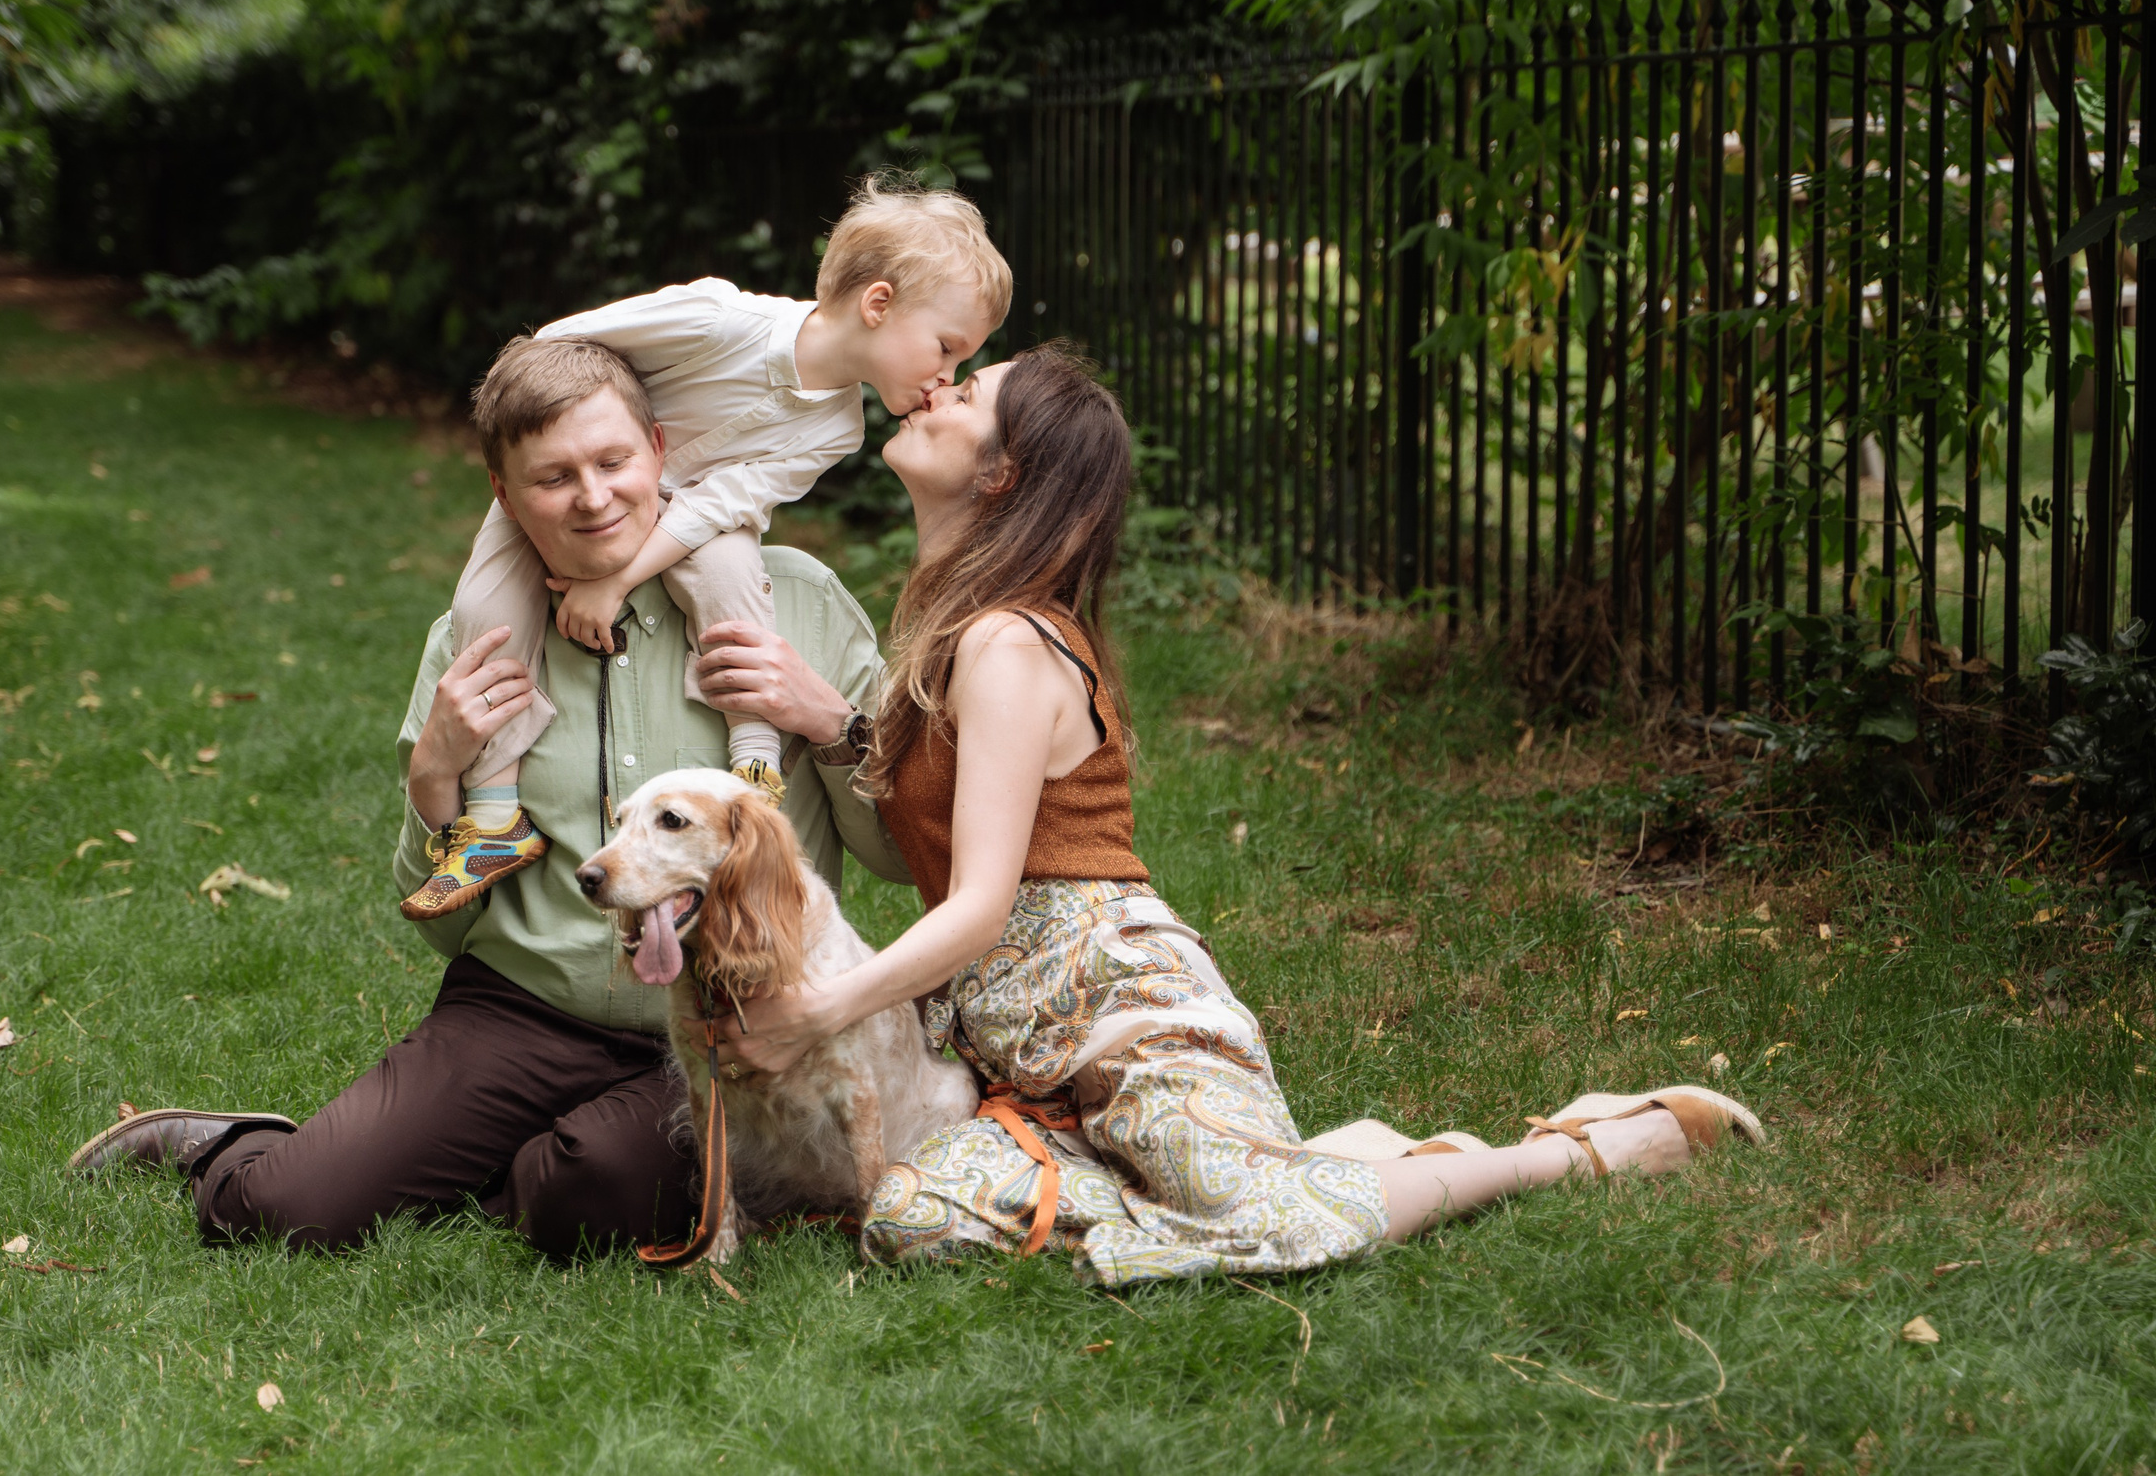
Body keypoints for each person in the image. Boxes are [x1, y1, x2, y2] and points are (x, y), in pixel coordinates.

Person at [712, 344, 1764, 1288]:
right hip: (1015, 1050)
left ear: (1003, 470)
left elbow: (981, 904)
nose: (935, 383)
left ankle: (1580, 1149)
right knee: (909, 1218)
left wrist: (821, 1010)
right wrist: (840, 728)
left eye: (970, 386)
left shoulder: (1006, 641)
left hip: (1113, 1007)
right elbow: (940, 832)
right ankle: (1347, 1164)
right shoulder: (958, 627)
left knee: (1272, 1228)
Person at [65, 338, 909, 1256]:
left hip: (724, 1026)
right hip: (517, 1010)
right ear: (505, 496)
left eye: (614, 461)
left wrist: (829, 720)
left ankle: (531, 1161)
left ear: (661, 450)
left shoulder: (797, 603)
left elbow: (897, 855)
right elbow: (443, 925)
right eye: (553, 477)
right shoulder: (474, 643)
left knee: (589, 1197)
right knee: (287, 1209)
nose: (593, 496)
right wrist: (433, 777)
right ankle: (231, 1142)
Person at [406, 178, 1010, 920]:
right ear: (878, 304)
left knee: (731, 568)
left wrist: (618, 577)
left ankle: (752, 760)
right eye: (946, 348)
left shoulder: (839, 430)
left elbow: (725, 503)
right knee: (483, 606)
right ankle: (496, 815)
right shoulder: (718, 320)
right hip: (589, 477)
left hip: (683, 517)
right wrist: (584, 462)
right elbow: (562, 345)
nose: (944, 379)